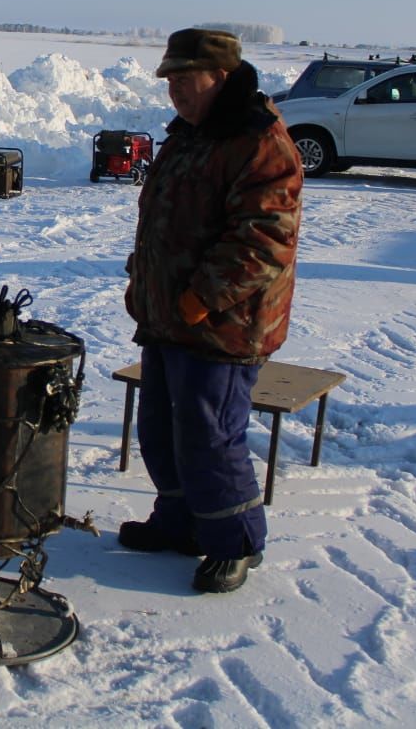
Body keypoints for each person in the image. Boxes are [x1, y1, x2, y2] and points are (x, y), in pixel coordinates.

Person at [121, 29, 303, 594]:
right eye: (169, 79)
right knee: (158, 428)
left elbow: (266, 237)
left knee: (208, 435)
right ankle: (180, 523)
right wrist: (143, 279)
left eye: (183, 78)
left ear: (219, 77)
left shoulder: (258, 141)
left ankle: (236, 542)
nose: (173, 89)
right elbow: (163, 218)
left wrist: (203, 297)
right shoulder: (191, 134)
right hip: (169, 317)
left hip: (223, 324)